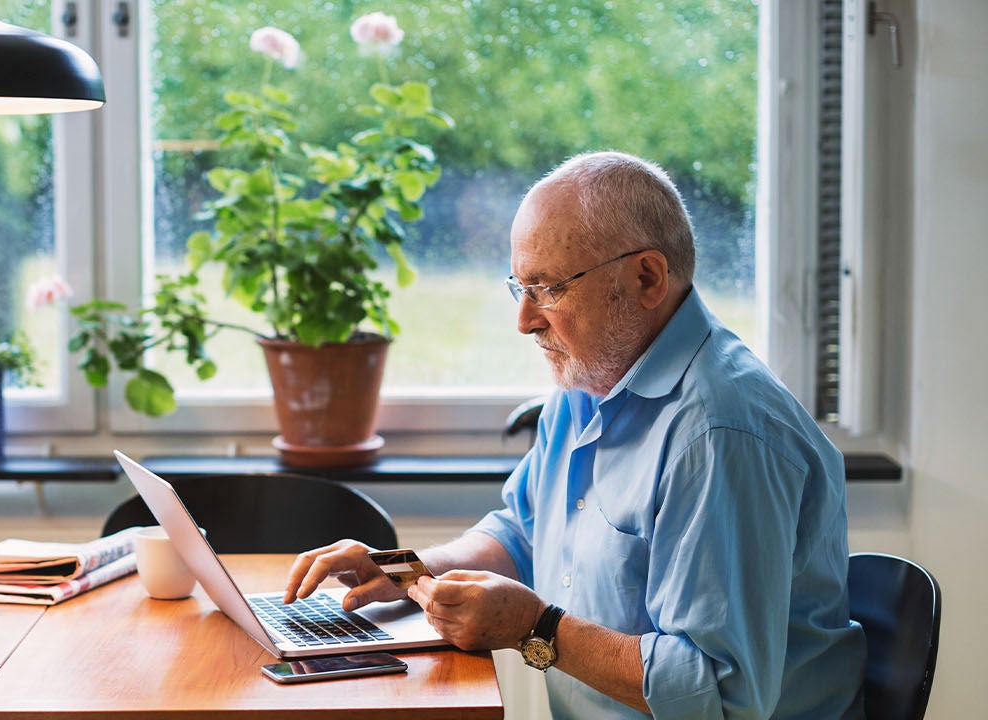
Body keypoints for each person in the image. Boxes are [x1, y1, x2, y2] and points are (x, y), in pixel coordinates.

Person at [283, 151, 866, 718]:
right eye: (520, 286)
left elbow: (719, 693)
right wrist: (403, 571)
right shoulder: (588, 378)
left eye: (549, 288)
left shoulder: (719, 434)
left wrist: (535, 627)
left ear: (646, 276)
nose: (525, 319)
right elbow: (524, 530)